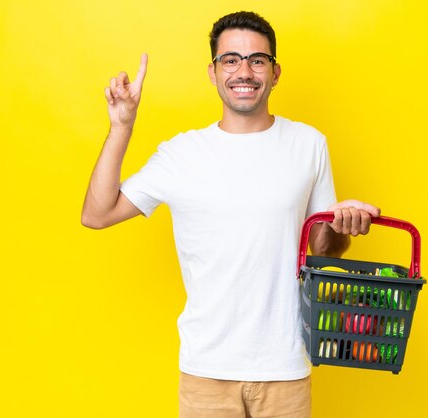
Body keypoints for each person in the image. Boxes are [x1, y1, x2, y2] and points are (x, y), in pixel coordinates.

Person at [82, 10, 380, 418]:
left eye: (258, 60)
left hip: (286, 367)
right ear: (213, 71)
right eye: (231, 60)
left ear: (275, 73)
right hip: (206, 371)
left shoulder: (308, 144)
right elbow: (98, 214)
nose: (245, 71)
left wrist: (343, 226)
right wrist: (121, 128)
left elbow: (322, 253)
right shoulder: (182, 154)